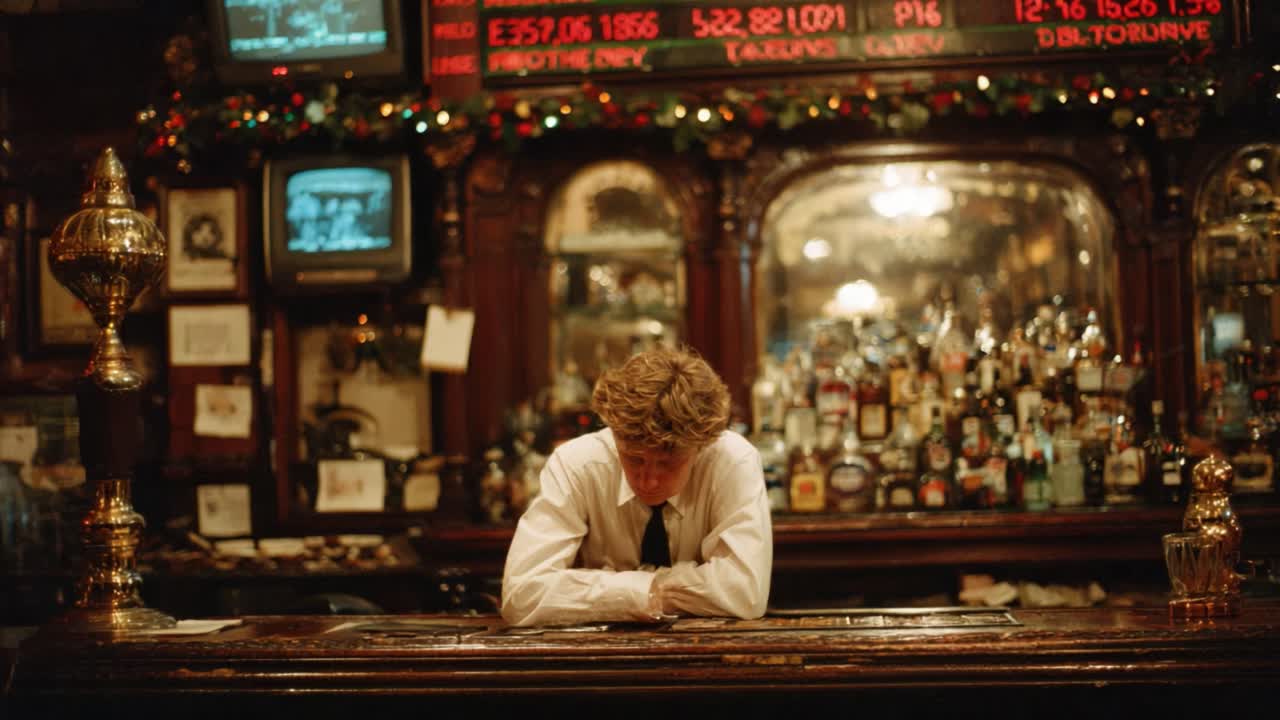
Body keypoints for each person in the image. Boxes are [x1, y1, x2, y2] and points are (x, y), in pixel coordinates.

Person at [501, 346, 772, 626]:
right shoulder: (576, 464)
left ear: (701, 446)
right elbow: (521, 596)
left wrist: (617, 590)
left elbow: (744, 593)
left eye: (668, 463)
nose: (648, 480)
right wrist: (650, 591)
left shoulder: (731, 460)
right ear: (614, 434)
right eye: (633, 459)